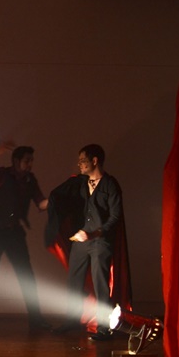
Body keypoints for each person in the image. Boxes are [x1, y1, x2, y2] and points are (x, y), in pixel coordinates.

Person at [46, 144, 130, 340]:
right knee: (74, 281)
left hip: (100, 242)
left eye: (83, 161)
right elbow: (64, 200)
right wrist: (49, 204)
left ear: (95, 161)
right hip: (81, 241)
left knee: (101, 284)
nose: (80, 164)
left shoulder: (110, 185)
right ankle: (72, 321)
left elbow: (115, 216)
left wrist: (95, 233)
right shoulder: (80, 183)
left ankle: (104, 327)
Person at [0, 142, 51, 334]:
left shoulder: (30, 180)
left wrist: (56, 200)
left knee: (26, 275)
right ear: (16, 161)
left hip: (14, 232)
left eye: (31, 160)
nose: (30, 164)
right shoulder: (3, 174)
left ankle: (36, 319)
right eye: (27, 160)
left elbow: (41, 203)